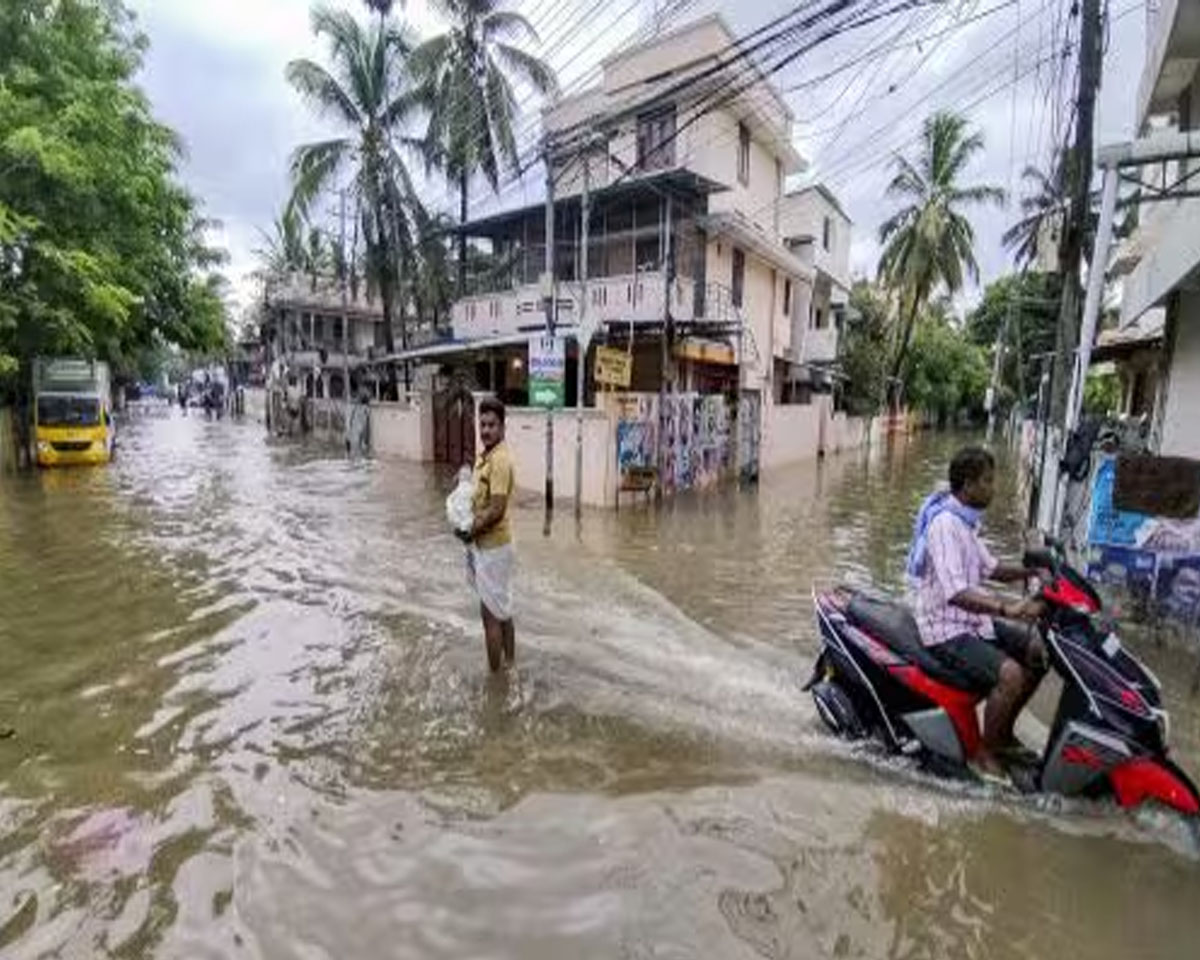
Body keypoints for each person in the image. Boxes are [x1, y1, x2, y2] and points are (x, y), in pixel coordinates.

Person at [908, 446, 1046, 780]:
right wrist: (1007, 607)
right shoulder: (945, 525)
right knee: (1010, 674)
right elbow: (956, 592)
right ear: (968, 485)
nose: (993, 487)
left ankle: (1002, 735)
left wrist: (1034, 572)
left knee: (1038, 650)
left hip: (970, 622)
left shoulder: (966, 523)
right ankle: (984, 753)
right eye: (987, 481)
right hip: (945, 628)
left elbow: (991, 567)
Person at [459, 398, 517, 672]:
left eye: (492, 425)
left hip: (494, 548)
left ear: (503, 427)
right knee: (502, 610)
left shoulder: (500, 460)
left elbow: (496, 509)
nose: (485, 430)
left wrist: (468, 529)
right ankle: (510, 665)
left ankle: (496, 679)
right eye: (482, 424)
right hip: (492, 547)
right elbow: (479, 500)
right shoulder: (489, 457)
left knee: (490, 616)